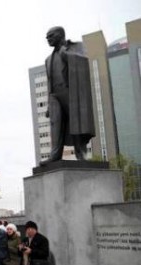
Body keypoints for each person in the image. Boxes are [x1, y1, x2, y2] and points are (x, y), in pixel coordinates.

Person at [42, 26, 95, 164]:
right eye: (47, 37)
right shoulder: (48, 59)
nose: (47, 39)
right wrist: (48, 103)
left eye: (50, 36)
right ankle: (55, 155)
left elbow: (83, 60)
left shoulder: (76, 47)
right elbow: (49, 81)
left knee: (76, 123)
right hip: (55, 95)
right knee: (56, 125)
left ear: (60, 35)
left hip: (72, 93)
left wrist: (65, 54)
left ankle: (81, 153)